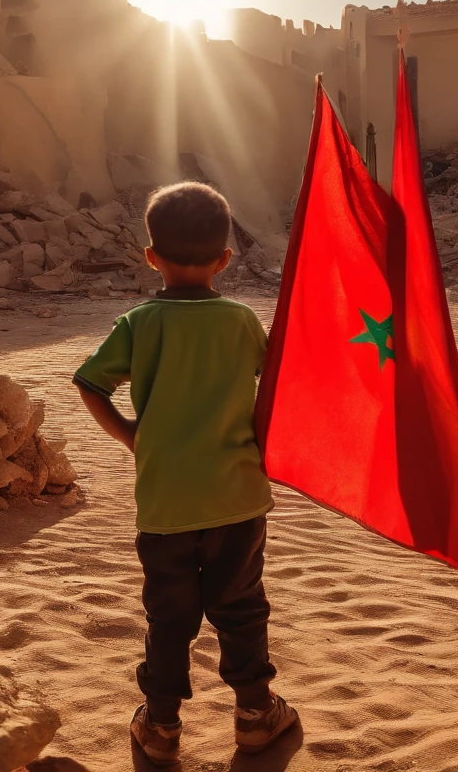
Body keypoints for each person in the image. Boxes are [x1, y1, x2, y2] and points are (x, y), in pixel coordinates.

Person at [74, 182, 298, 766]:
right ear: (225, 259)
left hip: (166, 503)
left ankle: (162, 725)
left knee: (169, 616)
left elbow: (89, 383)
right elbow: (275, 386)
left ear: (151, 255)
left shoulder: (139, 323)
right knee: (241, 604)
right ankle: (255, 715)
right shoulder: (242, 320)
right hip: (238, 498)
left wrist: (130, 435)